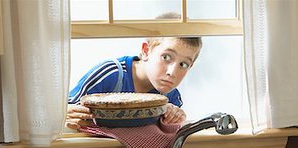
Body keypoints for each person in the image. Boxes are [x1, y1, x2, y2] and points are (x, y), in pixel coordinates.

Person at [66, 36, 202, 130]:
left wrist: (175, 118)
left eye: (183, 64)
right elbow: (66, 109)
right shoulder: (111, 74)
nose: (172, 72)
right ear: (146, 51)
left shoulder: (171, 97)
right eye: (166, 57)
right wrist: (66, 114)